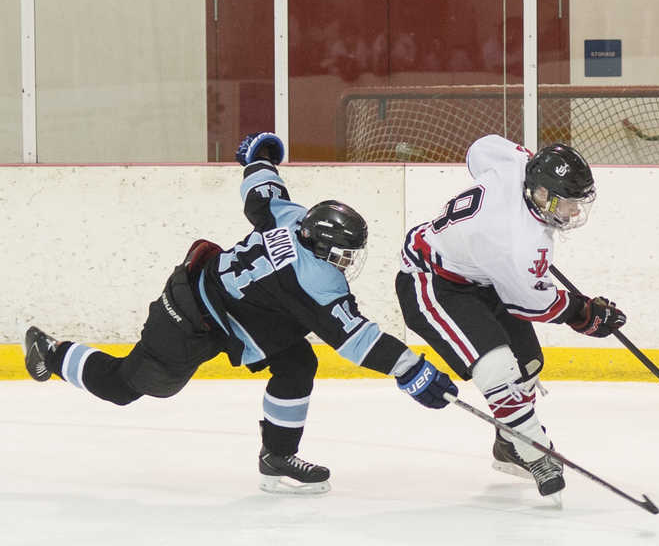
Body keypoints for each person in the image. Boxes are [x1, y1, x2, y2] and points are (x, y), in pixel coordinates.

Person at [23, 132, 458, 494]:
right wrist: (409, 367)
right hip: (192, 312)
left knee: (297, 361)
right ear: (323, 247)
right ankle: (53, 353)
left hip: (237, 313)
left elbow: (261, 191)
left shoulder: (292, 218)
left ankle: (277, 456)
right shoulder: (315, 281)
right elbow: (356, 338)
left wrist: (261, 156)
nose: (346, 264)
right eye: (343, 255)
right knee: (128, 387)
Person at [394, 134, 627, 500]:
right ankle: (538, 452)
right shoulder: (520, 242)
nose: (575, 212)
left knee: (528, 364)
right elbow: (531, 305)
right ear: (543, 195)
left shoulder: (516, 164)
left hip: (481, 274)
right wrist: (584, 314)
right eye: (569, 203)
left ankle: (508, 446)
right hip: (433, 280)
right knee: (498, 371)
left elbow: (479, 149)